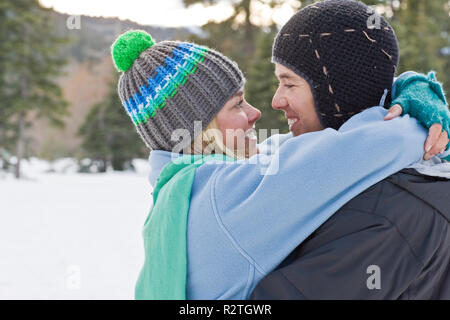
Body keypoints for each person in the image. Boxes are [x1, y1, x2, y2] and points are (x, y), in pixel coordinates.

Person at [110, 28, 448, 300]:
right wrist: (419, 105)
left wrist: (404, 85)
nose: (256, 112)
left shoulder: (185, 191)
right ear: (202, 130)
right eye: (237, 105)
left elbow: (292, 150)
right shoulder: (224, 196)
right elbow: (362, 150)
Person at [249, 0, 450, 299]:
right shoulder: (355, 172)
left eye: (289, 84)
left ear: (336, 93)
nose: (276, 101)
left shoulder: (384, 214)